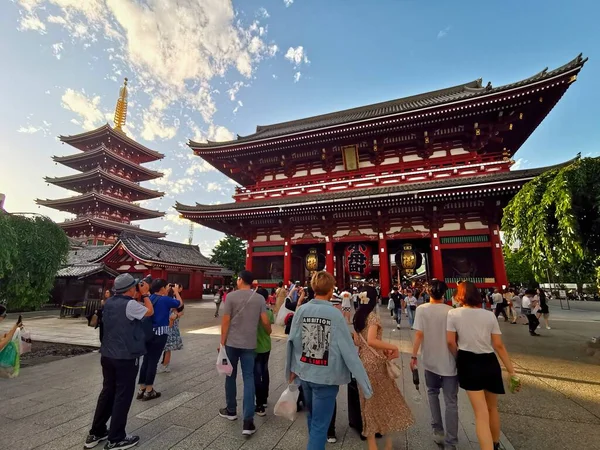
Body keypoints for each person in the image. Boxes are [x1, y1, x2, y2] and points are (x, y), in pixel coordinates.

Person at [286, 271, 373, 450]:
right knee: (320, 424)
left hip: (306, 372)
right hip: (327, 376)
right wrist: (365, 384)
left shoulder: (302, 310)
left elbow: (292, 340)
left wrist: (292, 369)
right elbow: (348, 350)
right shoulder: (335, 315)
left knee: (312, 416)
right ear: (331, 289)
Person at [85, 274, 154, 450]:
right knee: (123, 395)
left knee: (107, 392)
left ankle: (97, 431)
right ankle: (116, 438)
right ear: (131, 288)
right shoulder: (130, 304)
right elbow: (149, 312)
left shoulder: (108, 302)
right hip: (125, 356)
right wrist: (145, 294)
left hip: (107, 354)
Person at [446, 281, 518, 450]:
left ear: (460, 295)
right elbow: (499, 345)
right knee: (492, 408)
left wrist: (459, 358)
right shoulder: (489, 315)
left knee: (480, 413)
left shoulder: (453, 314)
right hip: (490, 361)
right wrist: (511, 371)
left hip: (468, 361)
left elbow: (450, 342)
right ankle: (495, 443)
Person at [353, 286, 413, 450]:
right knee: (386, 400)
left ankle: (372, 444)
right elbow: (372, 340)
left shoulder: (358, 316)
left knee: (368, 402)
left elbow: (359, 342)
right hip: (375, 363)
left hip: (362, 362)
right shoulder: (372, 317)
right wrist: (392, 346)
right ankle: (388, 444)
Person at [219, 270, 272, 436]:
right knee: (249, 378)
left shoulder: (231, 297)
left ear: (240, 280)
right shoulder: (259, 298)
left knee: (230, 375)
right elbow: (265, 321)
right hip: (250, 344)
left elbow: (226, 321)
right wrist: (269, 331)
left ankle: (231, 410)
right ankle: (248, 421)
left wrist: (222, 342)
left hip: (232, 343)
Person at [411, 279, 458, 450]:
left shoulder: (421, 309)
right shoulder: (451, 311)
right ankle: (452, 441)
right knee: (451, 401)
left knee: (432, 394)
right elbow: (453, 340)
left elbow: (418, 335)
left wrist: (413, 356)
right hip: (449, 362)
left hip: (429, 360)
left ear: (428, 292)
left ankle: (438, 432)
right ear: (444, 293)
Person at [137, 280, 183, 401]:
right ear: (162, 288)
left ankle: (141, 388)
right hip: (160, 333)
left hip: (147, 333)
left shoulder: (149, 297)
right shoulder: (165, 299)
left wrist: (165, 291)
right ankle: (149, 390)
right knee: (153, 361)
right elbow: (179, 304)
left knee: (146, 360)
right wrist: (176, 292)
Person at [254, 287, 275, 417]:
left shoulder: (251, 312)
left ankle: (259, 404)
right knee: (265, 371)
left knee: (256, 375)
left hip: (254, 346)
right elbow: (269, 327)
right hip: (266, 345)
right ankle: (265, 398)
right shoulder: (268, 312)